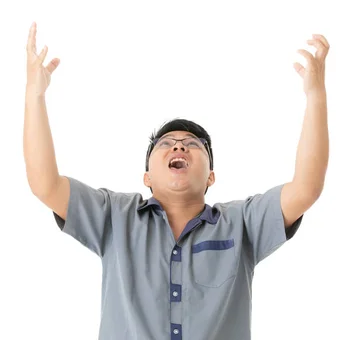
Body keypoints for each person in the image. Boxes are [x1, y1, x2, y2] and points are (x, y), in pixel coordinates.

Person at [23, 22, 329, 339]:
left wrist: (315, 94)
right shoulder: (115, 215)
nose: (180, 146)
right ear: (147, 177)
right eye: (166, 144)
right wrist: (35, 94)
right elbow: (45, 184)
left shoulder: (243, 222)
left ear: (211, 176)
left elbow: (306, 188)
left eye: (193, 145)